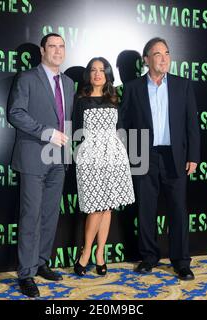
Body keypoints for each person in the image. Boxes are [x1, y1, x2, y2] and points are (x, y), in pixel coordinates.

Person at [120, 37, 200, 281]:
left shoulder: (182, 85)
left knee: (178, 209)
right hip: (146, 155)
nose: (164, 58)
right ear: (146, 60)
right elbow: (123, 123)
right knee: (146, 209)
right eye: (157, 54)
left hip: (175, 155)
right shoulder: (133, 88)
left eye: (166, 53)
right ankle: (149, 257)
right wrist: (131, 154)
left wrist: (194, 156)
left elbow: (192, 124)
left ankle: (181, 262)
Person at [7, 33, 74, 297]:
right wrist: (46, 132)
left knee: (49, 215)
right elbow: (15, 113)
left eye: (61, 46)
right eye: (52, 46)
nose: (57, 51)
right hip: (34, 156)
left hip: (58, 159)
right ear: (42, 50)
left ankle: (41, 262)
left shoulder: (68, 83)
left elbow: (65, 119)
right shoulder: (26, 79)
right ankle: (26, 274)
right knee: (31, 216)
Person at [72, 57, 135, 276]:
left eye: (102, 70)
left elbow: (121, 129)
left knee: (107, 207)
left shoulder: (115, 98)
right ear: (88, 74)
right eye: (93, 70)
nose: (98, 74)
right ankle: (86, 252)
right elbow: (76, 132)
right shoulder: (80, 100)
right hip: (90, 157)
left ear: (108, 74)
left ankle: (100, 254)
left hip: (113, 155)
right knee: (95, 207)